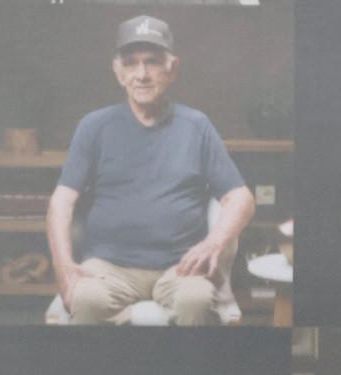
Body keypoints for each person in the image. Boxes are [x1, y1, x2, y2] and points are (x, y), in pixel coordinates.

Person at [46, 16, 256, 325]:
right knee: (86, 299)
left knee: (196, 300)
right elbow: (61, 201)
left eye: (153, 62)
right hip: (108, 268)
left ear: (172, 69)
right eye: (130, 63)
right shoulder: (94, 126)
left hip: (180, 267)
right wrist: (64, 267)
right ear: (118, 71)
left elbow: (241, 198)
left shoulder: (196, 126)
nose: (141, 74)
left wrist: (213, 243)